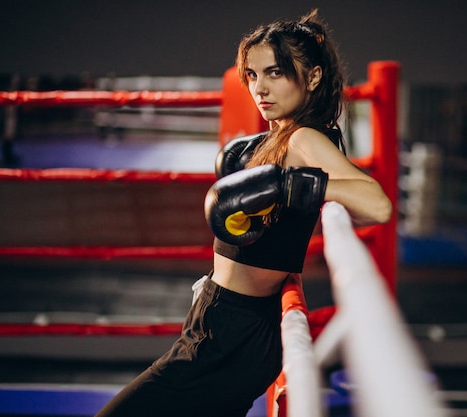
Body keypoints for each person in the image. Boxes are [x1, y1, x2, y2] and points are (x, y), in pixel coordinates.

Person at [95, 9, 392, 417]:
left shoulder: (306, 139)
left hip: (231, 333)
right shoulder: (279, 137)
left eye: (274, 73)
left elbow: (378, 205)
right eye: (252, 75)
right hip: (222, 320)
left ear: (314, 77)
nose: (259, 88)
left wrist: (296, 187)